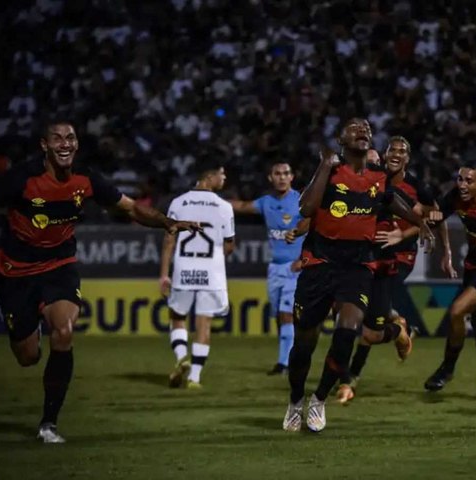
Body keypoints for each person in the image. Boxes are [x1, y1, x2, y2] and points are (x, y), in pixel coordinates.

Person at [0, 121, 199, 443]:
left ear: (77, 145)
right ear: (44, 146)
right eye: (57, 138)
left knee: (64, 331)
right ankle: (29, 325)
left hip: (59, 267)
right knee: (28, 357)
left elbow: (130, 207)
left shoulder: (86, 179)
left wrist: (166, 222)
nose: (65, 143)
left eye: (71, 138)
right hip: (16, 273)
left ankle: (48, 424)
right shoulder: (22, 178)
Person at [282, 118, 435, 433]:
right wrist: (324, 166)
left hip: (357, 266)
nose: (363, 130)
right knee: (303, 345)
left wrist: (418, 223)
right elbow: (307, 208)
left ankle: (319, 399)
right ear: (341, 138)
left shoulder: (379, 177)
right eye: (355, 128)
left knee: (349, 330)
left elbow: (391, 200)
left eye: (367, 128)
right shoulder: (331, 171)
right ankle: (296, 400)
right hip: (319, 264)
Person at [336, 136, 449, 405]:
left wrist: (442, 249)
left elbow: (435, 216)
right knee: (367, 323)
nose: (396, 155)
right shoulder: (376, 179)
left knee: (368, 320)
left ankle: (352, 375)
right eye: (392, 150)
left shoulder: (416, 188)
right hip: (373, 255)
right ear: (385, 156)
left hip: (400, 257)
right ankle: (393, 327)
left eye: (402, 151)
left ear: (408, 159)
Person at [422, 160, 476, 400]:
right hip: (474, 266)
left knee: (457, 311)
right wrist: (420, 216)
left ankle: (447, 368)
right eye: (460, 179)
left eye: (468, 180)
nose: (462, 185)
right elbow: (437, 215)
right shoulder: (456, 197)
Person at [160, 158, 235, 389]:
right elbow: (230, 245)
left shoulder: (179, 203)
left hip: (184, 267)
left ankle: (182, 357)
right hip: (211, 271)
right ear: (208, 177)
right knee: (204, 321)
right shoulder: (224, 206)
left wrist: (164, 274)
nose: (224, 179)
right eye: (221, 174)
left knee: (177, 316)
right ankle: (195, 377)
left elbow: (169, 240)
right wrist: (215, 258)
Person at [229, 161, 309, 375]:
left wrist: (304, 259)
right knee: (280, 317)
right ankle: (288, 357)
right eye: (277, 173)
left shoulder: (300, 201)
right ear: (270, 178)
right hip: (275, 268)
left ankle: (284, 364)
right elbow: (241, 207)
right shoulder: (266, 202)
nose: (282, 177)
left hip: (295, 268)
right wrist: (210, 200)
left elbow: (313, 224)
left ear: (292, 177)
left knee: (286, 315)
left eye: (286, 173)